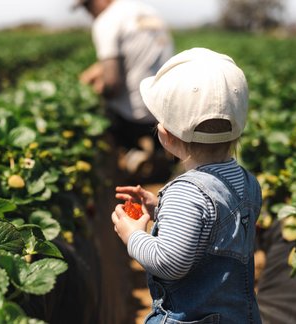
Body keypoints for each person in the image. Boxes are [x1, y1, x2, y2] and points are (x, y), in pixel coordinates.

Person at [111, 48, 263, 323]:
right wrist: (161, 209)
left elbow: (170, 263)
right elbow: (214, 228)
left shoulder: (187, 192)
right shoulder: (248, 182)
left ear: (166, 137)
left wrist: (132, 234)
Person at [74, 0, 175, 181]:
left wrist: (94, 91)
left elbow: (112, 84)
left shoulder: (107, 20)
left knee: (100, 108)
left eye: (88, 6)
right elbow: (137, 56)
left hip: (133, 115)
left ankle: (130, 155)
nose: (88, 13)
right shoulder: (148, 12)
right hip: (165, 107)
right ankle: (160, 153)